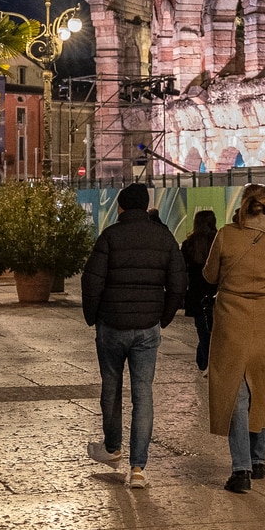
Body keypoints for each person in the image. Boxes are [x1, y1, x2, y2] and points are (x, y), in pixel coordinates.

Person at [80, 183, 186, 489]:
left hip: (112, 326)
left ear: (122, 208)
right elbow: (179, 283)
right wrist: (163, 317)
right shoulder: (164, 237)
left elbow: (91, 282)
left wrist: (93, 317)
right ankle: (138, 468)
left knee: (111, 389)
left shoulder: (110, 236)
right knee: (144, 395)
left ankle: (113, 448)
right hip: (147, 329)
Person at [203, 184, 265, 493]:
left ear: (242, 206)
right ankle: (258, 460)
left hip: (232, 320)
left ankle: (240, 469)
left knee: (236, 393)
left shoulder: (226, 235)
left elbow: (209, 275)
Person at [180, 209, 219, 374]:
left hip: (196, 293)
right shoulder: (218, 241)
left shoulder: (188, 244)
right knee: (216, 329)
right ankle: (206, 361)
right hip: (215, 290)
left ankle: (204, 361)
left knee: (202, 328)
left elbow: (183, 270)